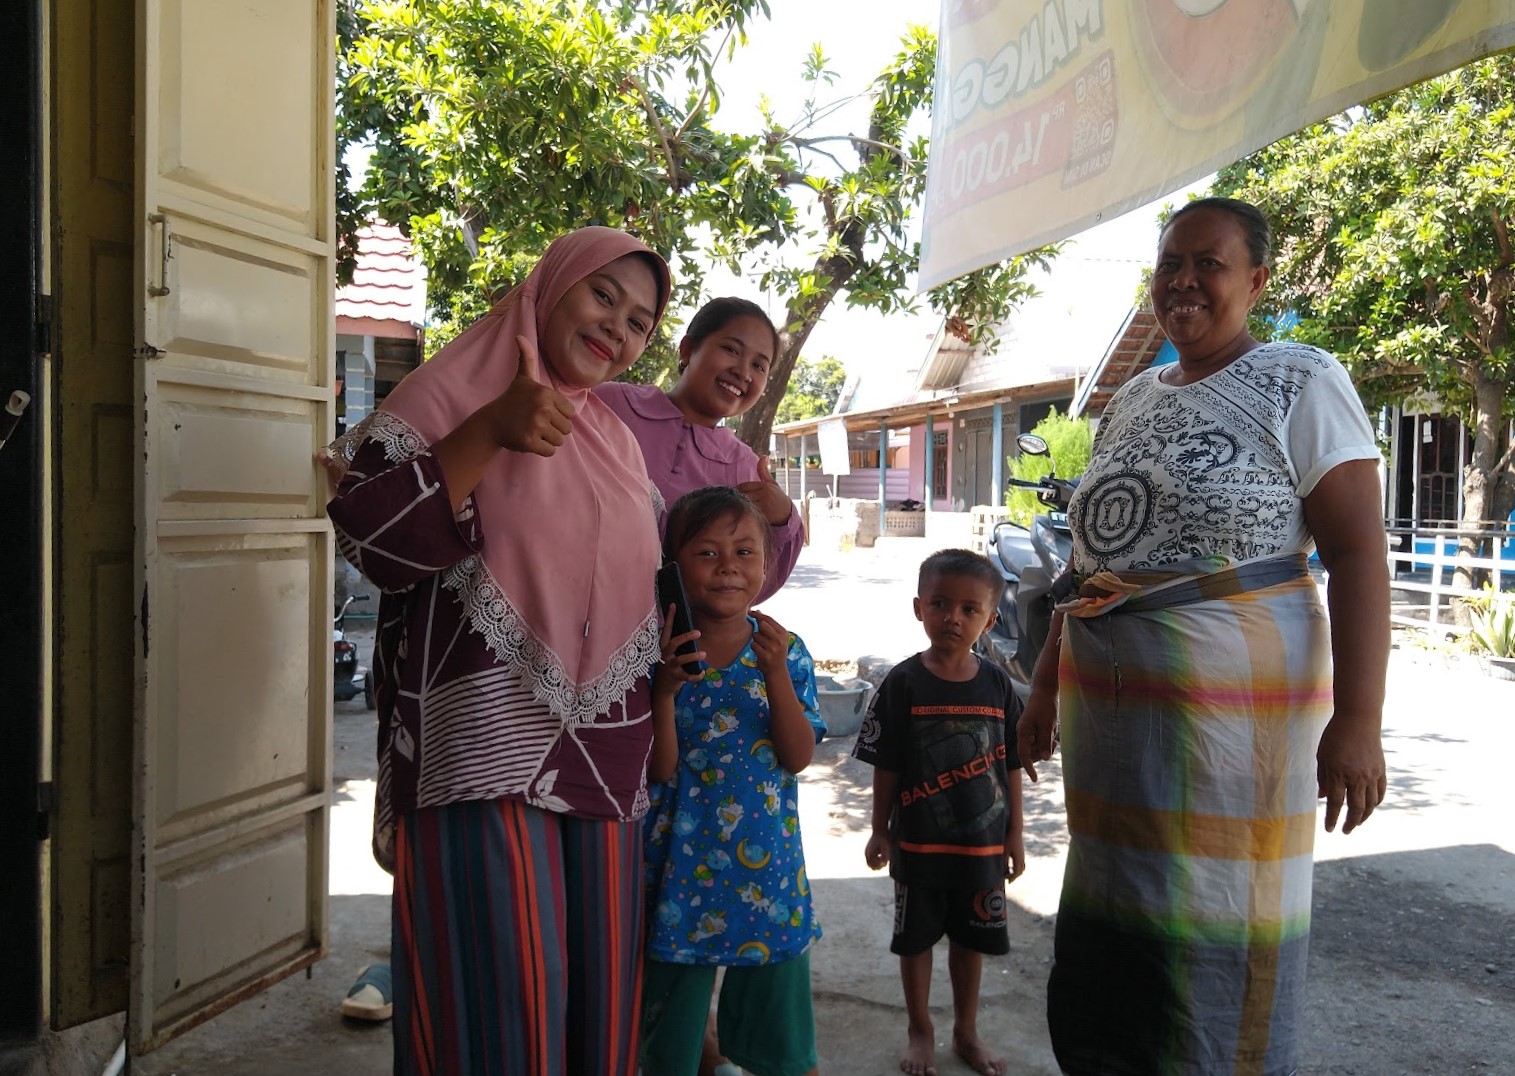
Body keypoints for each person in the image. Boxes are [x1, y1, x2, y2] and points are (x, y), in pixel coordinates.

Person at [1016, 196, 1390, 1076]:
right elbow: (1089, 565)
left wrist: (1358, 721)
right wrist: (1040, 688)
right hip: (1110, 724)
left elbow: (1357, 554)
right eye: (1168, 265)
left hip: (1234, 727)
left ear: (1254, 281)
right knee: (1119, 915)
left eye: (1207, 264)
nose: (1182, 282)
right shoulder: (1131, 397)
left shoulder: (1301, 378)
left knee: (1219, 912)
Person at [324, 226, 672, 1076]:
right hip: (478, 742)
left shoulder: (615, 440)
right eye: (602, 295)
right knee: (500, 997)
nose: (617, 327)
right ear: (549, 286)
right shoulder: (448, 394)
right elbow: (374, 544)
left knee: (597, 995)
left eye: (639, 321)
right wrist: (488, 431)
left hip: (604, 754)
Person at [640, 486, 826, 1076]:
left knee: (781, 1026)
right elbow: (660, 770)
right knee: (671, 1021)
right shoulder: (658, 654)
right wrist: (664, 692)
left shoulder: (785, 651)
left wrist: (775, 675)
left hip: (766, 867)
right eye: (707, 552)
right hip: (678, 870)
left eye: (745, 552)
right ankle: (702, 1057)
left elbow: (798, 756)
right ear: (672, 567)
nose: (728, 567)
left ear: (766, 565)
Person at [852, 549, 1025, 1076]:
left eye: (970, 609)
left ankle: (966, 1032)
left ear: (990, 621)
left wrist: (1015, 835)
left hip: (982, 847)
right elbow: (886, 765)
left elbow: (1012, 765)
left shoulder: (998, 685)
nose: (953, 617)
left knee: (972, 941)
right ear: (918, 608)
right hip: (918, 844)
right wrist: (879, 830)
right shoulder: (902, 683)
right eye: (940, 604)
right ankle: (920, 1029)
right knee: (916, 942)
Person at [595, 297, 802, 604]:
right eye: (731, 350)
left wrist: (783, 519)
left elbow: (753, 580)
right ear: (688, 349)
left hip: (678, 633)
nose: (744, 372)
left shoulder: (747, 470)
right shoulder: (607, 405)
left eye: (759, 365)